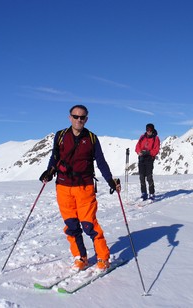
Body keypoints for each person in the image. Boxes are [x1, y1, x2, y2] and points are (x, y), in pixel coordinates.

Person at [39, 104, 120, 272]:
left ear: (86, 119)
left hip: (84, 187)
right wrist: (49, 172)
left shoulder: (91, 138)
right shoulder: (61, 136)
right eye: (75, 116)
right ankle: (80, 256)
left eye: (82, 117)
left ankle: (103, 257)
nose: (79, 120)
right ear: (70, 117)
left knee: (89, 224)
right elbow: (55, 157)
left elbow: (101, 162)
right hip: (63, 186)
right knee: (71, 225)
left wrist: (110, 180)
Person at [135, 123, 160, 201]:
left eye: (150, 130)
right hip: (141, 158)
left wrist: (148, 152)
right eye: (147, 130)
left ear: (152, 130)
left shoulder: (156, 138)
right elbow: (137, 146)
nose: (148, 131)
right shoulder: (142, 137)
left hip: (149, 159)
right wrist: (139, 152)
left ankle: (152, 193)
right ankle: (144, 193)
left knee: (149, 177)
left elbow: (156, 150)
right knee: (141, 177)